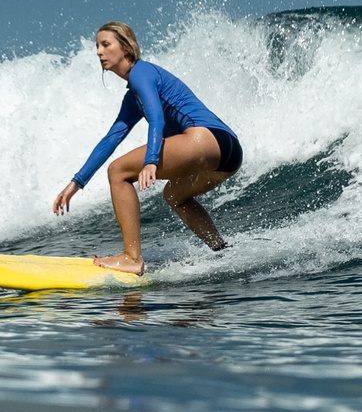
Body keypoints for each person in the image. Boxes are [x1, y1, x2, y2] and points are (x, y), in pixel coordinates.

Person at [53, 22, 243, 273]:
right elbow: (111, 139)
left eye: (105, 45)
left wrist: (151, 161)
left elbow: (156, 118)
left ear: (126, 48)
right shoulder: (133, 96)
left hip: (202, 138)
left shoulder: (141, 73)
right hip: (228, 150)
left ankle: (133, 258)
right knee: (175, 196)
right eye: (97, 46)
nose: (98, 52)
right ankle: (221, 250)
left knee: (118, 171)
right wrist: (75, 184)